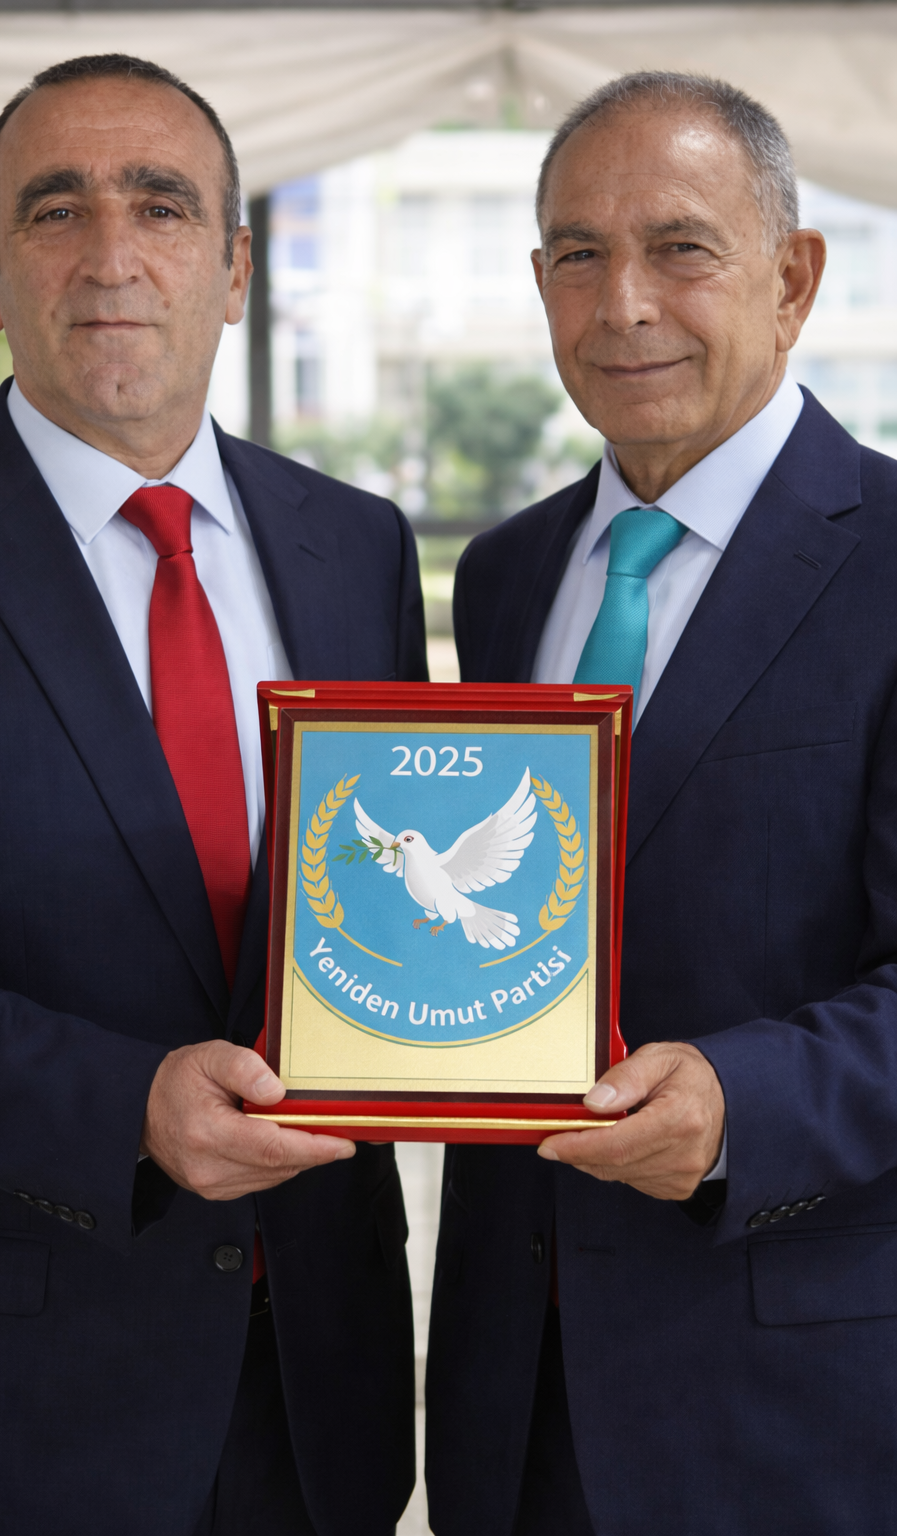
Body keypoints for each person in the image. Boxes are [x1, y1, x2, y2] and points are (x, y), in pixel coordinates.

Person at [0, 53, 425, 1536]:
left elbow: (385, 893)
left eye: (162, 206)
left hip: (321, 1394)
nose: (112, 255)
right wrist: (126, 1106)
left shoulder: (358, 547)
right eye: (56, 211)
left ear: (235, 270)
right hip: (11, 1404)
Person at [426, 70, 897, 1536]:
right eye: (579, 254)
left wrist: (738, 1107)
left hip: (793, 1407)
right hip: (512, 1400)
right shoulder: (504, 575)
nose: (622, 303)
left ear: (793, 278)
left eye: (680, 247)